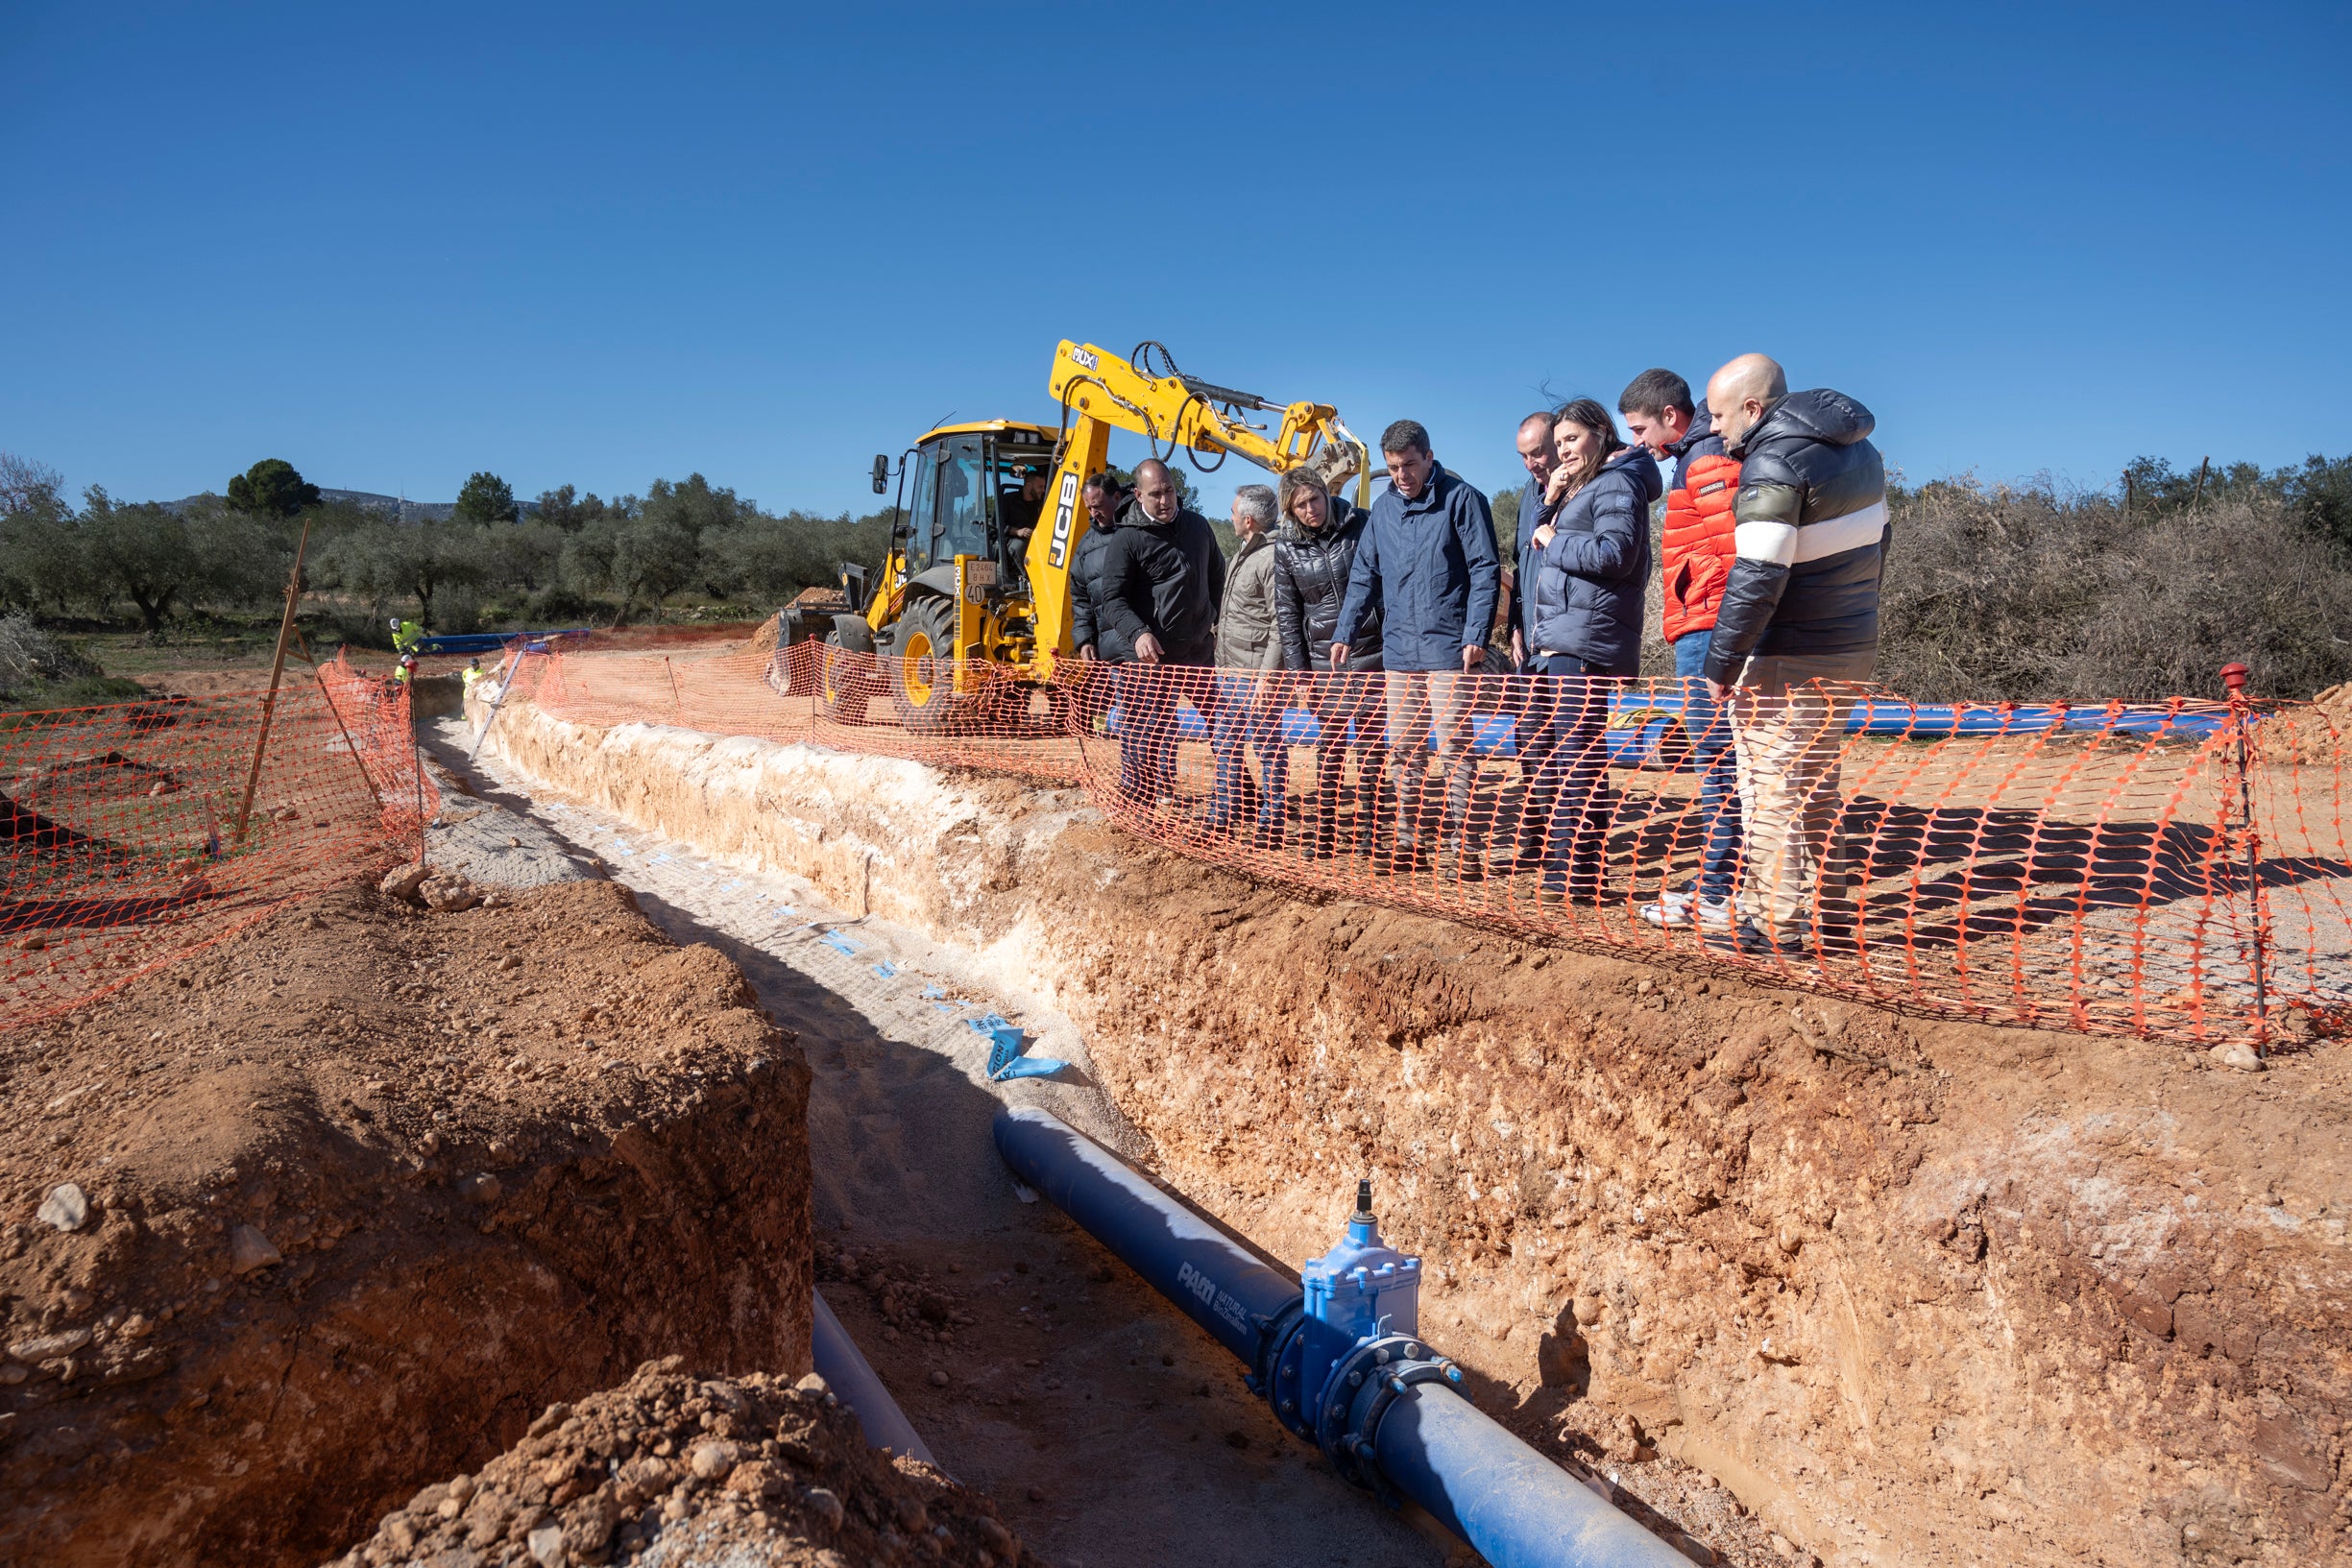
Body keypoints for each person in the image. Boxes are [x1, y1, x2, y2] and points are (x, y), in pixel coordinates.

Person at [1701, 353, 1887, 956]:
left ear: (1753, 408)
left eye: (1720, 415)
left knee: (1769, 792)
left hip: (1789, 654)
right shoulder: (1862, 452)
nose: (1713, 427)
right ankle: (1830, 915)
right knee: (1818, 787)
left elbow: (1758, 571)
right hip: (1849, 647)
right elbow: (1878, 546)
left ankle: (1771, 926)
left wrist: (1722, 663)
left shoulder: (1773, 460)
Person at [1330, 421, 1499, 879]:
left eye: (1409, 465)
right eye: (1393, 468)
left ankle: (1463, 846)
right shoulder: (1383, 511)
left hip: (1449, 648)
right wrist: (1345, 630)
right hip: (1400, 650)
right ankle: (1408, 841)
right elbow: (1364, 576)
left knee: (1455, 747)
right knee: (1404, 749)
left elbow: (1485, 570)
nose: (1401, 475)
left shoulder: (1463, 500)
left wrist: (1476, 634)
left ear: (1428, 457)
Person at [1509, 399, 1658, 905]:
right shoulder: (1583, 485)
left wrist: (1554, 540)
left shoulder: (1617, 483)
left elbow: (1617, 555)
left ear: (1600, 432)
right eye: (1560, 443)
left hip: (1585, 636)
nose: (1564, 451)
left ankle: (1574, 871)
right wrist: (1551, 500)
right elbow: (1540, 542)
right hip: (1560, 635)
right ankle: (1571, 868)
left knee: (1578, 756)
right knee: (1567, 754)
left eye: (1571, 440)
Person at [1619, 369, 1744, 933]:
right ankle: (1720, 885)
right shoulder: (1693, 457)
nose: (1637, 442)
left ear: (1670, 416)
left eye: (1640, 429)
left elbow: (1737, 553)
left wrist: (1729, 640)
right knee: (1720, 763)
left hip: (1709, 628)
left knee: (1718, 763)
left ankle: (1718, 892)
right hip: (1701, 623)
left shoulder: (1705, 459)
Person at [1095, 459, 1227, 808]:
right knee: (1147, 729)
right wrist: (1138, 633)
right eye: (1156, 494)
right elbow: (1112, 599)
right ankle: (1140, 796)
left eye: (1169, 491)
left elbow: (1217, 574)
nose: (1165, 500)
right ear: (1139, 495)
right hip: (1152, 656)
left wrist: (1212, 617)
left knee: (1222, 722)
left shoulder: (1197, 525)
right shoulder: (1127, 538)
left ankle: (1236, 791)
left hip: (1197, 649)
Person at [1273, 469, 1384, 859]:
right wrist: (1299, 674)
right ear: (1290, 510)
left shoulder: (1361, 523)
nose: (1310, 509)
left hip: (1372, 650)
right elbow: (1287, 614)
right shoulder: (1286, 547)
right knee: (1330, 747)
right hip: (1323, 661)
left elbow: (1383, 579)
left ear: (1325, 493)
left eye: (1314, 499)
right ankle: (1325, 831)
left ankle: (1371, 830)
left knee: (1371, 746)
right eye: (1300, 505)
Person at [1207, 484, 1286, 844]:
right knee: (1225, 744)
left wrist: (1266, 679)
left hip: (1255, 675)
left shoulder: (1270, 559)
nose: (1231, 517)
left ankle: (1272, 822)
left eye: (1233, 512)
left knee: (1268, 748)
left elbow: (1280, 625)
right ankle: (1223, 814)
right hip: (1230, 671)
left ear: (1249, 520)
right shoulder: (1243, 553)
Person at [1065, 472, 1123, 733]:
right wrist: (1085, 639)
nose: (1094, 513)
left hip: (1148, 646)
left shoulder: (1140, 530)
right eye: (1089, 508)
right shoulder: (1086, 547)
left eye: (1098, 506)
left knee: (1155, 721)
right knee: (1130, 723)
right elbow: (1081, 599)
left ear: (1117, 498)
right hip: (1113, 651)